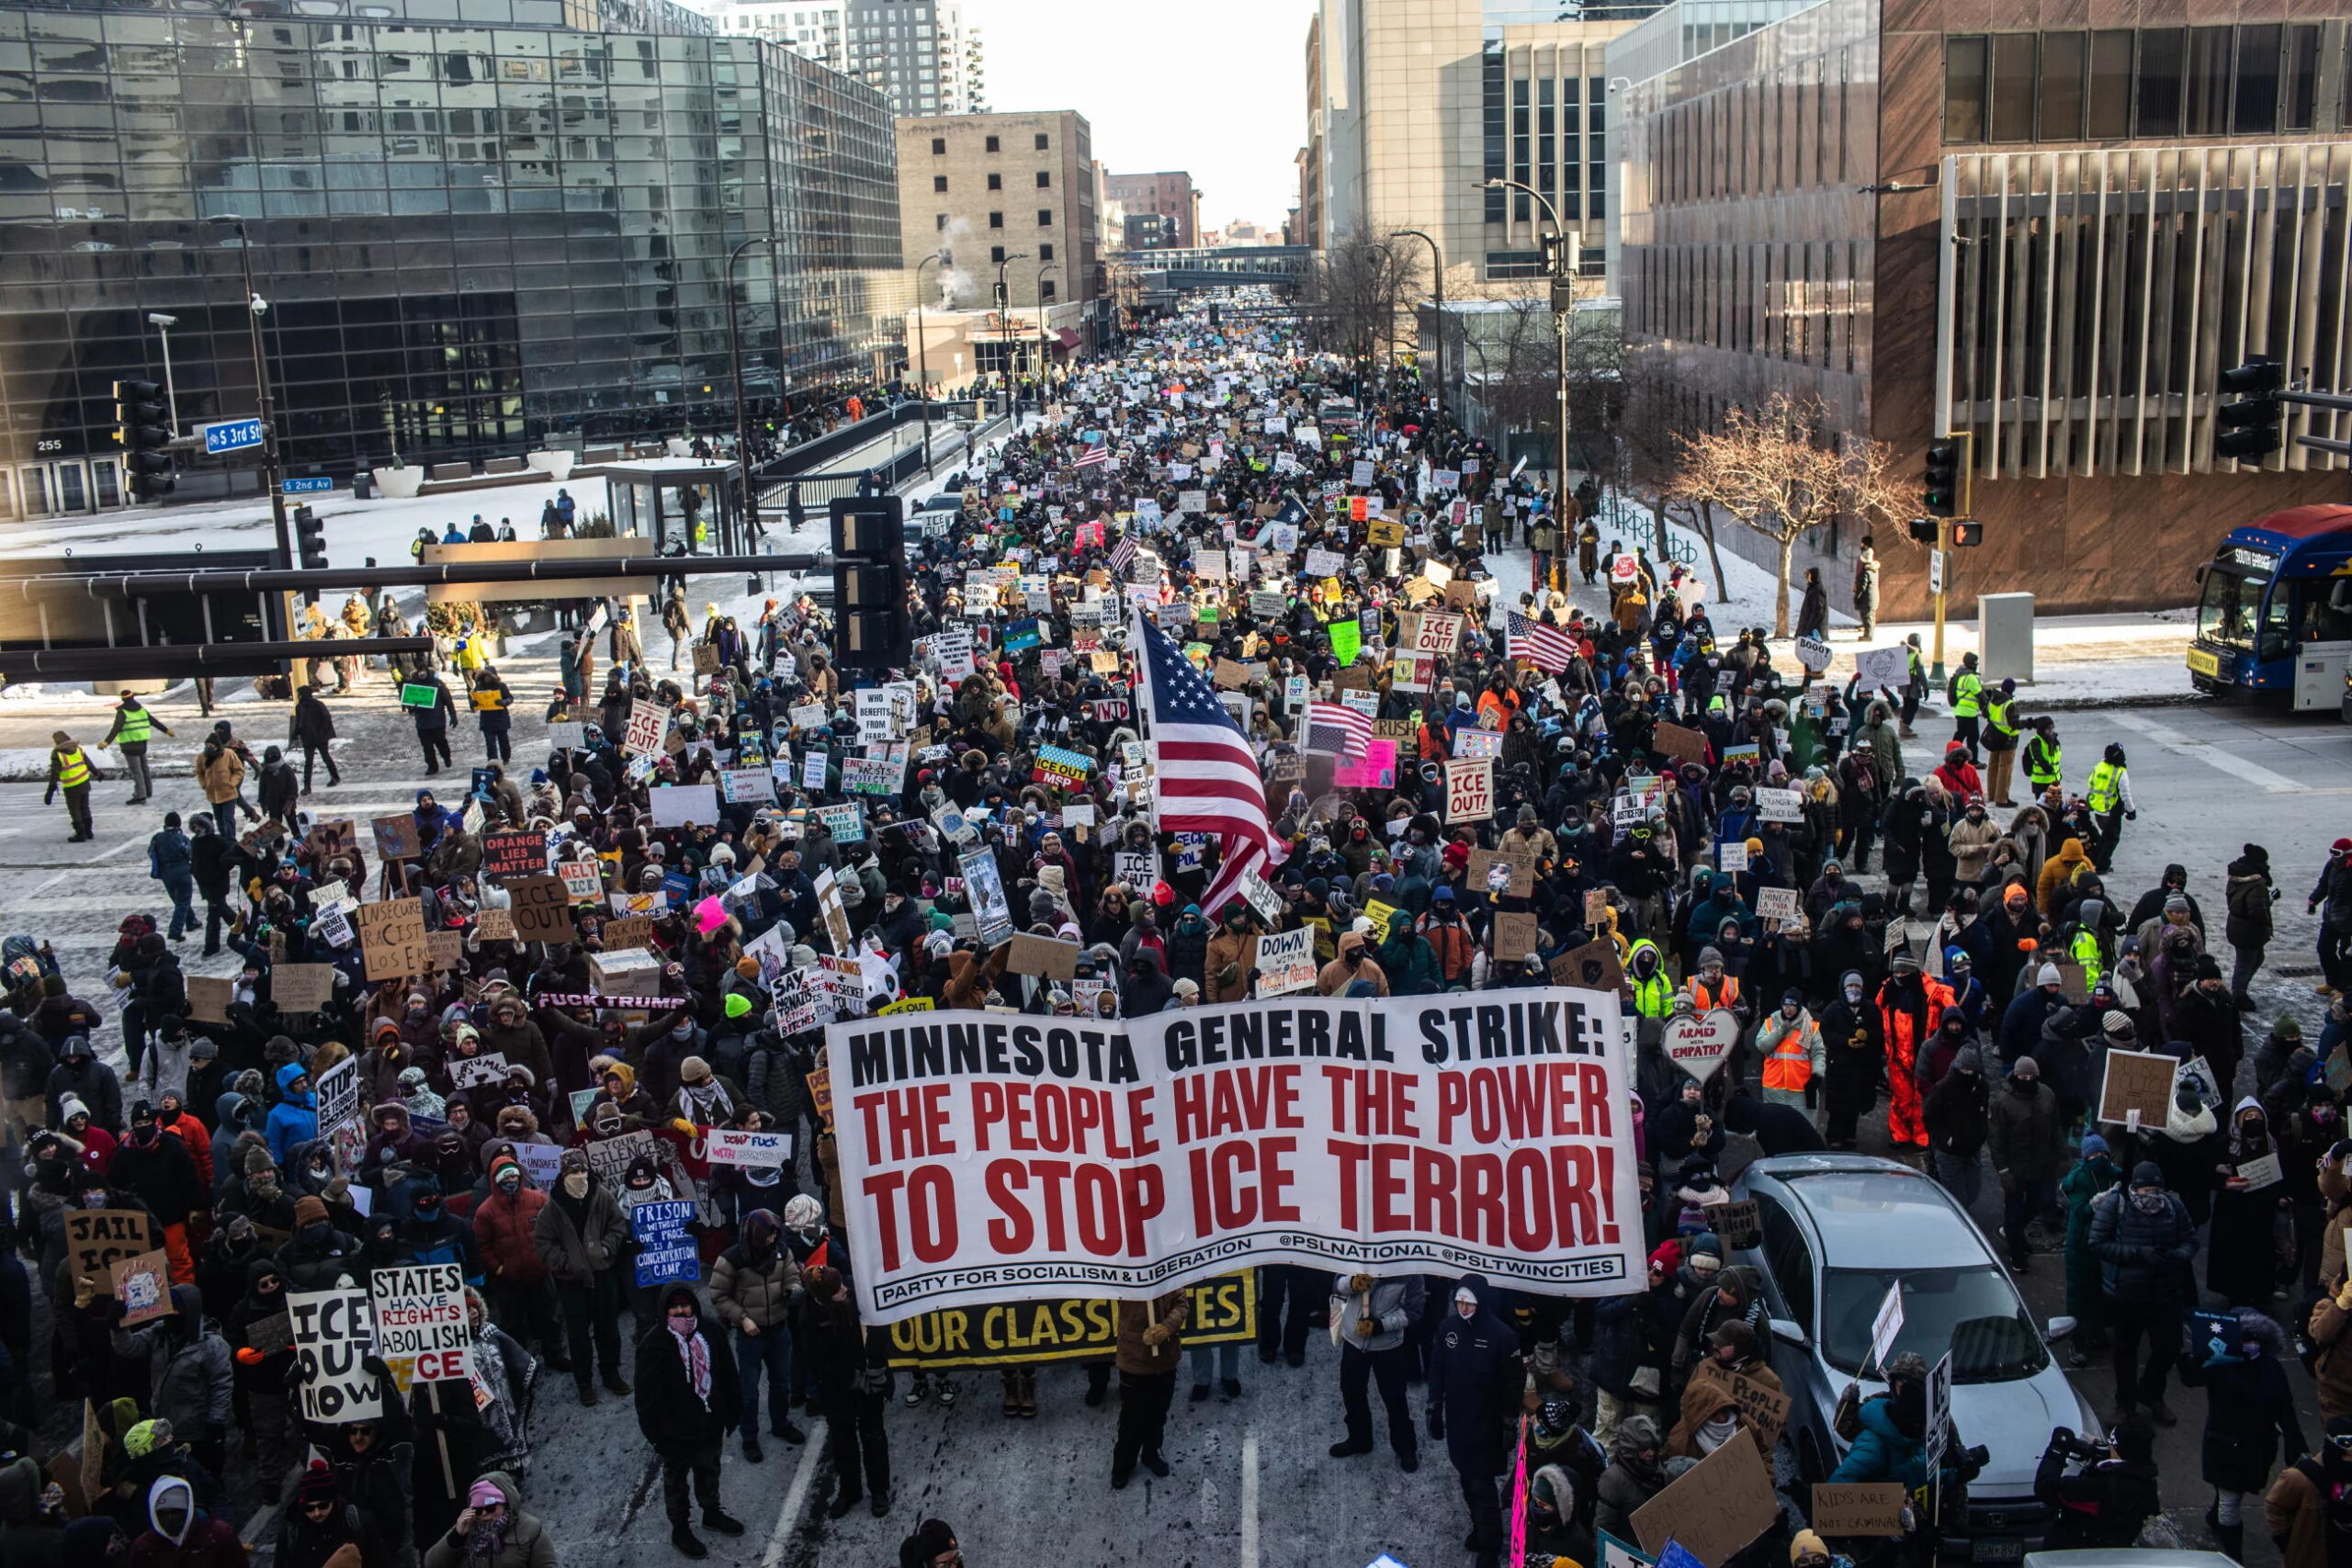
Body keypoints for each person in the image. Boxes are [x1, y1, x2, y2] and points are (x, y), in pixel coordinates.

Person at [2177, 1306, 2305, 1559]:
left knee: (2235, 1492)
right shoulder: (2220, 1365)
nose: (2250, 1345)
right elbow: (2192, 1378)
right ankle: (2234, 1558)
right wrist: (2193, 1359)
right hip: (2224, 1446)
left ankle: (2216, 1517)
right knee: (2230, 1502)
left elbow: (2284, 1406)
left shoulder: (2272, 1368)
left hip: (2258, 1447)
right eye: (2245, 1339)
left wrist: (2294, 1439)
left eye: (2254, 1340)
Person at [633, 1285, 746, 1558]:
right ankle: (681, 1529)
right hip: (675, 1434)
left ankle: (711, 1513)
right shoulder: (654, 1344)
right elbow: (646, 1398)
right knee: (676, 1483)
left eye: (685, 1305)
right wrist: (658, 1437)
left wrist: (731, 1413)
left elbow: (728, 1372)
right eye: (674, 1307)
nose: (681, 1311)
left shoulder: (711, 1330)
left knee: (709, 1471)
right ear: (664, 1310)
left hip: (709, 1424)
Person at [2088, 1160, 2196, 1425]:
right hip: (2127, 1293)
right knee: (2126, 1350)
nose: (2151, 1196)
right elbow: (2098, 1243)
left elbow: (2190, 1240)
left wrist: (2175, 1257)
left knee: (2169, 1347)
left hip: (2165, 1292)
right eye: (2145, 1190)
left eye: (2155, 1190)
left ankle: (2151, 1393)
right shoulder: (2116, 1205)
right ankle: (2125, 1404)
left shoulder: (2173, 1206)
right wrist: (2137, 1254)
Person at [1429, 1273, 1521, 1568]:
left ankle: (1490, 1547)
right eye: (1459, 1302)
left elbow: (1515, 1381)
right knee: (1467, 1480)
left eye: (1469, 1303)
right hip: (1458, 1422)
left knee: (1482, 1487)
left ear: (1481, 1302)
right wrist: (1434, 1405)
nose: (1463, 1308)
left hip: (1487, 1425)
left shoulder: (1502, 1336)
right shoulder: (1448, 1328)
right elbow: (1437, 1368)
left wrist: (1509, 1420)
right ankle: (1480, 1529)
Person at [707, 1208, 808, 1461]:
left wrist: (793, 1290)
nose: (772, 1241)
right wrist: (742, 1318)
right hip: (751, 1334)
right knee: (749, 1389)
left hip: (779, 1328)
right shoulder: (731, 1260)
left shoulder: (782, 1252)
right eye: (767, 1236)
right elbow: (719, 1296)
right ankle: (749, 1437)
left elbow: (792, 1276)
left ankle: (780, 1423)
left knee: (781, 1382)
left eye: (775, 1235)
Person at [1327, 1271, 1422, 1472]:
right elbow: (1337, 1285)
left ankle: (1405, 1447)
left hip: (1388, 1347)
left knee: (1395, 1398)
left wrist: (1381, 1325)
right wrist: (1352, 1283)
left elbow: (1413, 1311)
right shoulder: (1357, 1255)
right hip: (1354, 1340)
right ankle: (1359, 1439)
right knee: (1352, 1392)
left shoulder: (1410, 1273)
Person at [2032, 1417, 2161, 1548]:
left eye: (2110, 1444)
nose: (2108, 1446)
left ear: (2118, 1450)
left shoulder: (2101, 1485)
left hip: (2075, 1551)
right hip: (2116, 1548)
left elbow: (2046, 1487)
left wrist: (2056, 1451)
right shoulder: (2146, 1478)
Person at [1111, 1288, 1189, 1488]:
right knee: (1131, 1419)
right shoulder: (1120, 1275)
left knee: (1158, 1413)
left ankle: (1151, 1453)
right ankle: (1123, 1465)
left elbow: (1181, 1305)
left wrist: (1166, 1327)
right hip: (1133, 1360)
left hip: (1166, 1360)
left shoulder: (1169, 1272)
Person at [2268, 1416, 2352, 1568]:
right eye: (2346, 1451)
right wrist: (2286, 1540)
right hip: (2316, 1556)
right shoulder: (2300, 1478)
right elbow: (2275, 1506)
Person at [420, 1474, 553, 1568]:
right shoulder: (467, 1527)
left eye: (490, 1507)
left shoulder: (530, 1529)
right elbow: (431, 1564)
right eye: (477, 1510)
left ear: (506, 1504)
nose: (484, 1513)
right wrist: (456, 1536)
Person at [104, 693, 172, 806]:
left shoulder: (123, 712)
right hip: (142, 744)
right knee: (144, 768)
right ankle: (147, 792)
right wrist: (166, 730)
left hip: (129, 746)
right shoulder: (141, 710)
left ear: (123, 699)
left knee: (137, 771)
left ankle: (140, 796)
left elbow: (116, 729)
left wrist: (106, 742)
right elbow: (154, 722)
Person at [149, 813, 198, 944]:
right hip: (182, 871)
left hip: (166, 873)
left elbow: (150, 852)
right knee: (183, 900)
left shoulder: (157, 838)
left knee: (179, 900)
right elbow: (189, 854)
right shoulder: (182, 838)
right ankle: (175, 931)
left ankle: (191, 921)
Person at [44, 730, 96, 842]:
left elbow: (55, 773)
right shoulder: (78, 748)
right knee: (85, 807)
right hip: (84, 781)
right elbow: (88, 762)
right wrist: (97, 773)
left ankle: (80, 833)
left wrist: (50, 791)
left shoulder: (57, 753)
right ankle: (88, 832)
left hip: (72, 786)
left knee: (74, 810)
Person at [290, 683, 340, 792]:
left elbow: (300, 724)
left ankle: (308, 786)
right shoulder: (315, 704)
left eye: (299, 694)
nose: (298, 696)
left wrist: (295, 735)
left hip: (312, 738)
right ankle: (335, 777)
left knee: (310, 762)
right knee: (324, 758)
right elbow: (326, 719)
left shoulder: (302, 707)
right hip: (317, 737)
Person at [410, 671, 458, 775]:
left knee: (441, 742)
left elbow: (448, 700)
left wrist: (453, 716)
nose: (422, 673)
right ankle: (432, 767)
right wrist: (412, 707)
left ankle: (446, 756)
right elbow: (409, 704)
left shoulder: (438, 684)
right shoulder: (414, 685)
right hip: (422, 722)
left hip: (437, 720)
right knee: (427, 746)